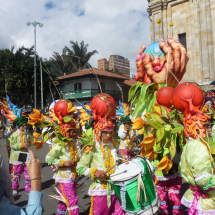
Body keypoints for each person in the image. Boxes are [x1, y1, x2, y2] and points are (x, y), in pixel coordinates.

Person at [77, 93, 124, 215]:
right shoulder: (91, 147)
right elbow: (80, 167)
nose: (108, 136)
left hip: (116, 188)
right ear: (99, 132)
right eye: (105, 132)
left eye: (110, 132)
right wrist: (94, 172)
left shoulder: (112, 145)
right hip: (100, 190)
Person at [45, 121, 80, 215]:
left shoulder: (75, 142)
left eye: (74, 131)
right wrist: (62, 163)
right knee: (72, 199)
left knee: (64, 199)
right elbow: (48, 158)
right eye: (71, 131)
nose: (73, 134)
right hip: (64, 176)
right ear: (65, 132)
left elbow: (78, 156)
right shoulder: (60, 144)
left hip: (74, 175)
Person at [0, 150, 43, 215]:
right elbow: (4, 180)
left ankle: (28, 188)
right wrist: (36, 179)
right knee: (16, 174)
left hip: (24, 156)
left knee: (27, 174)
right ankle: (15, 187)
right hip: (16, 157)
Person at [8, 115, 33, 195]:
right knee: (16, 173)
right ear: (20, 126)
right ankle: (14, 188)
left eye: (26, 125)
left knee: (28, 172)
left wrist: (29, 142)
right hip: (17, 156)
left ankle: (28, 188)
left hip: (26, 154)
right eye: (23, 125)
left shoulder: (27, 134)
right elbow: (12, 146)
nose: (25, 126)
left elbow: (30, 144)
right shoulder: (14, 135)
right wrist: (20, 146)